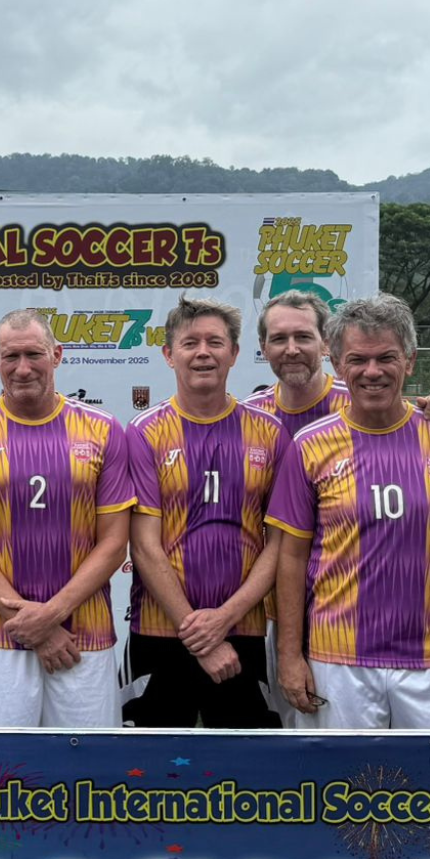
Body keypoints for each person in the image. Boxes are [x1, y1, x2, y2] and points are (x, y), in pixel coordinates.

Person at [267, 294, 430, 729]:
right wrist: (291, 655)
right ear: (337, 364)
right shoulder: (310, 445)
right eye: (358, 360)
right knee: (339, 789)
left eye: (386, 358)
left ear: (409, 361)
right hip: (337, 660)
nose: (372, 372)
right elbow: (292, 558)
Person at [0, 309, 133, 728]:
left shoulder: (103, 430)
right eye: (11, 357)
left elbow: (115, 543)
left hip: (84, 638)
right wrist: (35, 625)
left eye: (34, 354)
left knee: (89, 777)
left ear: (57, 355)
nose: (22, 368)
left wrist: (50, 616)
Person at [126, 299, 290, 728]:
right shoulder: (144, 433)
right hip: (160, 632)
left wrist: (224, 618)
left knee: (250, 778)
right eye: (190, 342)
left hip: (245, 632)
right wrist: (198, 633)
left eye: (215, 342)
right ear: (168, 354)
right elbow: (143, 546)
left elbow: (279, 543)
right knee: (149, 776)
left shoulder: (270, 434)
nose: (203, 352)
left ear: (234, 353)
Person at [244, 289, 430, 436]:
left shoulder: (362, 398)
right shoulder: (248, 414)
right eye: (279, 339)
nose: (292, 350)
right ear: (264, 347)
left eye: (303, 337)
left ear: (326, 343)